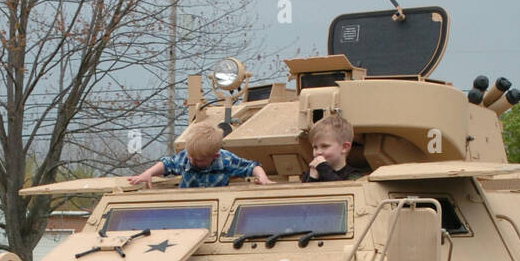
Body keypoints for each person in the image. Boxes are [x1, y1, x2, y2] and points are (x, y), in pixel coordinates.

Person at [128, 122, 273, 188]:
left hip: (217, 203)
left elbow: (252, 166)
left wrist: (263, 178)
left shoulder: (226, 160)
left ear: (214, 156)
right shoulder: (186, 157)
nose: (192, 161)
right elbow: (167, 164)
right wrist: (148, 173)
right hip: (188, 205)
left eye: (199, 160)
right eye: (191, 157)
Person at [302, 115, 361, 182]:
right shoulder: (310, 174)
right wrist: (312, 178)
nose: (318, 152)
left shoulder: (355, 175)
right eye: (315, 147)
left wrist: (324, 169)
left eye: (325, 146)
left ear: (344, 147)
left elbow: (344, 190)